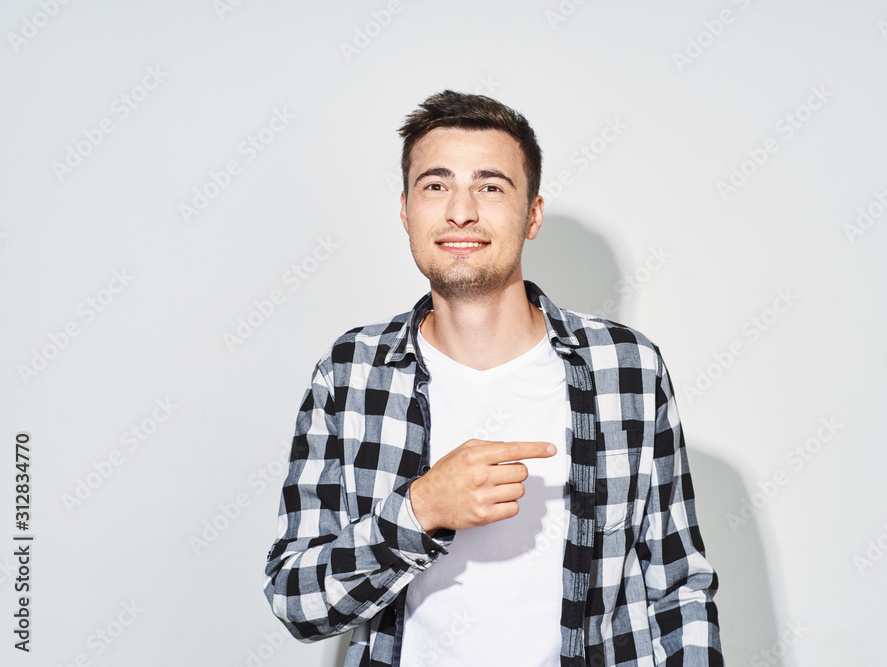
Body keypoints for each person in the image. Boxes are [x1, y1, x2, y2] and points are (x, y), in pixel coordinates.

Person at [263, 89, 723, 666]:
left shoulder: (626, 367)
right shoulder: (351, 371)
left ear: (532, 214)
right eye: (436, 186)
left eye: (490, 187)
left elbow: (678, 589)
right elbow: (297, 602)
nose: (461, 211)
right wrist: (420, 510)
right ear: (405, 211)